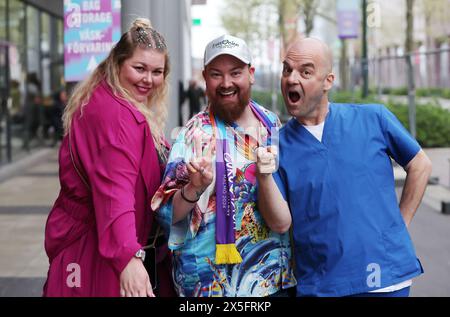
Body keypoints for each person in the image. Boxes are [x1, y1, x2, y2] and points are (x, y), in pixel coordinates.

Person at [256, 38, 433, 297]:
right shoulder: (277, 144)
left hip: (385, 280)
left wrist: (400, 224)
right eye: (287, 70)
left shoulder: (374, 118)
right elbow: (279, 222)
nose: (292, 79)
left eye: (305, 72)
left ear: (328, 81)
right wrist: (263, 176)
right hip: (321, 286)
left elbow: (420, 164)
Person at [151, 34, 296, 297]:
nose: (226, 83)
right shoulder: (192, 135)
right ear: (205, 78)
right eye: (216, 74)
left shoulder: (270, 124)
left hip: (270, 281)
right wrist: (194, 189)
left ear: (251, 73)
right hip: (210, 287)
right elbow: (165, 215)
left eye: (236, 72)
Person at [43, 18, 176, 297]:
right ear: (117, 64)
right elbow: (114, 190)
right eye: (139, 68)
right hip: (97, 255)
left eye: (157, 71)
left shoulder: (111, 101)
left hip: (104, 247)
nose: (148, 79)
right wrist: (127, 256)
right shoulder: (116, 117)